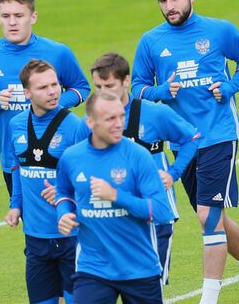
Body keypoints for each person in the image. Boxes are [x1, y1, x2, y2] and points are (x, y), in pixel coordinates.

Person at [131, 0, 239, 304]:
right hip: (182, 142)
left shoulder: (219, 31)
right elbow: (137, 88)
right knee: (215, 216)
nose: (170, 6)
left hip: (219, 133)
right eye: (163, 1)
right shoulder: (151, 41)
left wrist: (230, 86)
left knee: (207, 216)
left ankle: (208, 299)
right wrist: (162, 90)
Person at [75, 52, 199, 285]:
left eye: (109, 85)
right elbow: (75, 159)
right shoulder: (90, 121)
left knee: (149, 290)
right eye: (98, 86)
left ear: (126, 81)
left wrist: (173, 174)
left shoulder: (155, 113)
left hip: (154, 218)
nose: (103, 92)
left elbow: (192, 137)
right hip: (108, 219)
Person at [0, 0, 90, 197]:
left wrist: (52, 102)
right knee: (29, 223)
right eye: (6, 16)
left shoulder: (57, 52)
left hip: (58, 155)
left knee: (68, 219)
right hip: (15, 160)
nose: (12, 22)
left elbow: (81, 88)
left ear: (33, 17)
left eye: (19, 16)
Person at [56, 91, 175, 303]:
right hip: (93, 268)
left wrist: (116, 196)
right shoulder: (71, 157)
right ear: (90, 122)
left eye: (121, 116)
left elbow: (161, 211)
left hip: (139, 267)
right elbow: (64, 193)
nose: (119, 123)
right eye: (110, 118)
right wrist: (64, 213)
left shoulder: (139, 156)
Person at [3, 60, 80, 304]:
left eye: (55, 84)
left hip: (73, 235)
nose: (53, 91)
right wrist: (16, 204)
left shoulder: (75, 126)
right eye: (43, 87)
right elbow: (17, 167)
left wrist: (63, 192)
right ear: (27, 93)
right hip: (35, 238)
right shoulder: (15, 125)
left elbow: (90, 174)